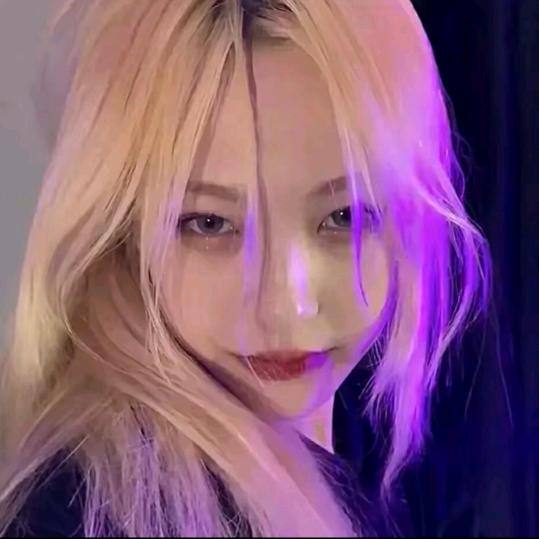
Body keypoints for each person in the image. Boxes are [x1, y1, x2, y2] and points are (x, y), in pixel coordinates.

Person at [0, 0, 490, 536]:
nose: (288, 306)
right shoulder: (85, 510)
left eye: (344, 216)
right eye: (210, 223)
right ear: (123, 230)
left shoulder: (388, 440)